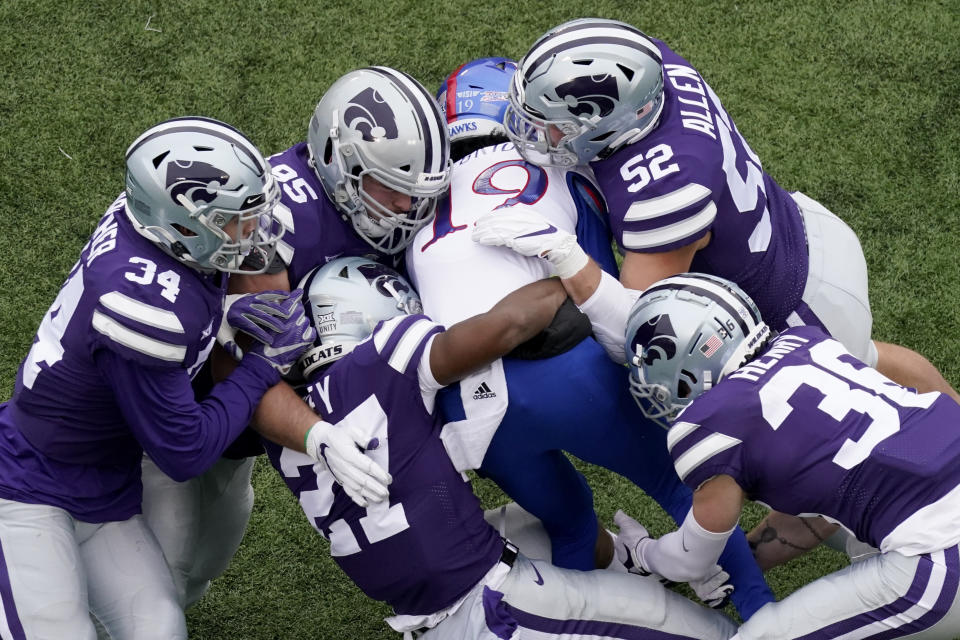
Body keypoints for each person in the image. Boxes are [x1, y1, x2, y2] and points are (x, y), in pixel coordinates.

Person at [502, 16, 958, 565]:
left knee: (829, 462)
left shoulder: (663, 191)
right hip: (806, 238)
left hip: (795, 309)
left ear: (611, 120)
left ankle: (885, 553)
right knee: (868, 360)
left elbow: (642, 327)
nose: (545, 136)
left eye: (556, 125)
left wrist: (568, 259)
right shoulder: (657, 69)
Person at [406, 56, 772, 619]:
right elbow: (602, 301)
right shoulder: (558, 170)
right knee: (680, 486)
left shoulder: (414, 208)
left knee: (571, 524)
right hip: (560, 369)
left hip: (466, 405)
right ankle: (758, 609)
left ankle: (581, 628)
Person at [262, 256, 738, 640]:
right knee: (687, 626)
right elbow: (506, 325)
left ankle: (629, 559)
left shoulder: (280, 428)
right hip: (488, 608)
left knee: (540, 519)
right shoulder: (384, 359)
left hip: (426, 606)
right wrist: (570, 278)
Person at [140, 66, 451, 610]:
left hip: (236, 445)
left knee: (203, 562)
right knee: (155, 576)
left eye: (417, 193)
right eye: (394, 189)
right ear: (340, 161)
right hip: (175, 419)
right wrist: (315, 434)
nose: (409, 209)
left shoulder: (394, 209)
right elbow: (235, 370)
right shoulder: (273, 220)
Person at [0, 117, 317, 639]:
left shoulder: (145, 228)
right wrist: (260, 369)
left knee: (160, 628)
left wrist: (222, 319)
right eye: (236, 221)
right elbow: (186, 449)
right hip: (26, 486)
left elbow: (184, 295)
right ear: (185, 226)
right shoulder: (141, 307)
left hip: (102, 485)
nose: (254, 232)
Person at [608, 272, 960, 639]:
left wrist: (645, 553)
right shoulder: (806, 340)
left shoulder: (706, 425)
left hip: (941, 551)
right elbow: (823, 499)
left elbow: (692, 558)